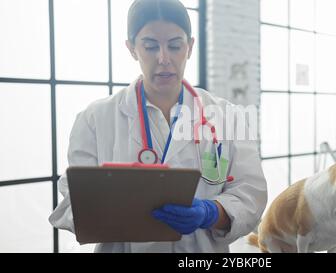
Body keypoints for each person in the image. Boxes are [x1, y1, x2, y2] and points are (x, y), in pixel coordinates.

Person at [49, 0, 267, 253]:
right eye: (150, 46)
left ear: (190, 47)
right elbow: (72, 204)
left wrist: (211, 212)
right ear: (131, 49)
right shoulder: (95, 118)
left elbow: (250, 193)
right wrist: (112, 210)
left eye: (175, 45)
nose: (164, 58)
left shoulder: (227, 117)